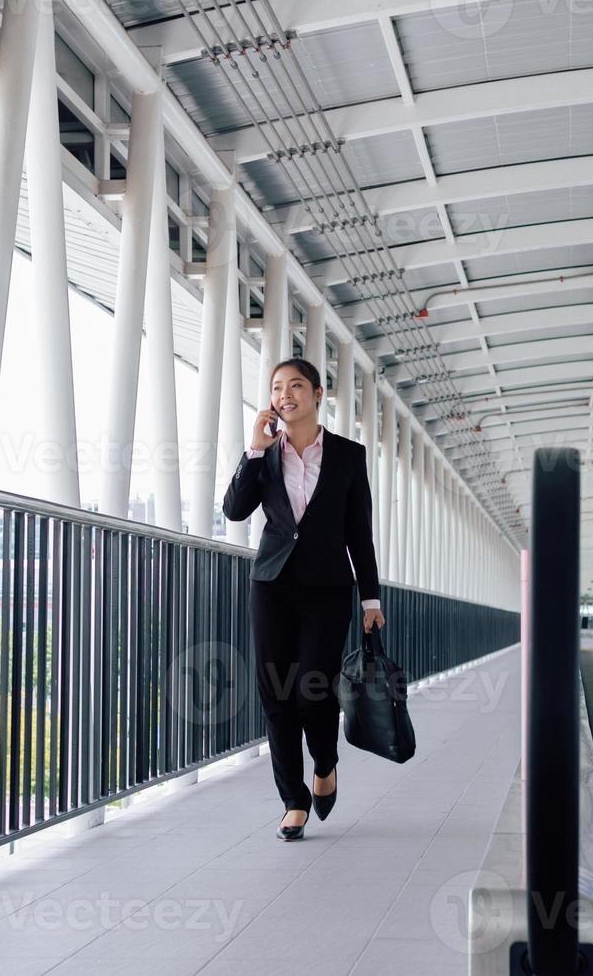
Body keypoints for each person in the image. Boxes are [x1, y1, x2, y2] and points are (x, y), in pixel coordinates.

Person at [222, 358, 384, 841]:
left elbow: (360, 532)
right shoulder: (266, 455)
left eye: (295, 385)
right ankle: (293, 799)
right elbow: (234, 510)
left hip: (329, 588)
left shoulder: (348, 456)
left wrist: (371, 598)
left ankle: (326, 763)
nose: (284, 394)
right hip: (272, 585)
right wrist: (254, 449)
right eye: (276, 388)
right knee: (276, 691)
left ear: (317, 394)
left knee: (313, 688)